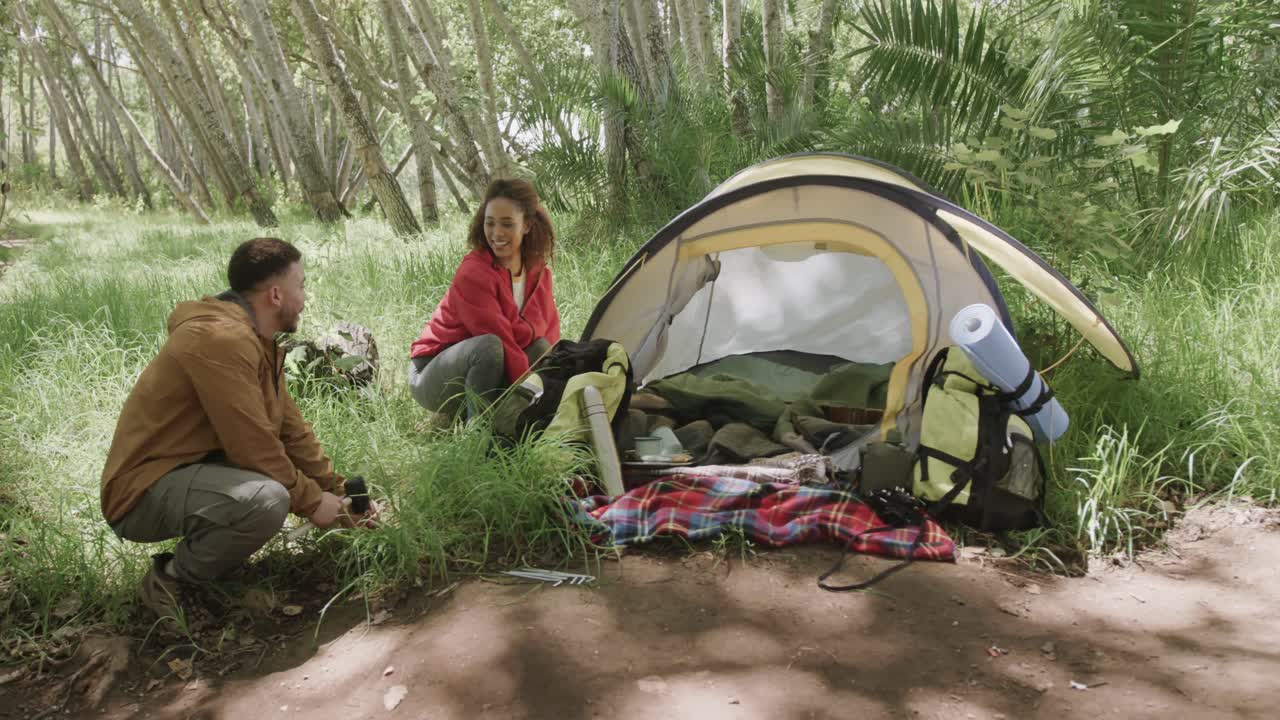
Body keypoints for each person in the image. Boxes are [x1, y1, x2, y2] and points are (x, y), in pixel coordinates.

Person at [100, 237, 376, 624]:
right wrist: (312, 502)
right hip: (141, 491)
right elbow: (253, 448)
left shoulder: (258, 343)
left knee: (271, 492)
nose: (305, 296)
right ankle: (169, 581)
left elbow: (291, 432)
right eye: (302, 285)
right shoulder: (220, 341)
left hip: (190, 473)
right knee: (267, 500)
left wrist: (337, 490)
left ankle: (216, 563)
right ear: (276, 294)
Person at [409, 178, 561, 421]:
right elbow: (501, 339)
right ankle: (478, 435)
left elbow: (547, 333)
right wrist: (531, 390)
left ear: (527, 225)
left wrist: (556, 387)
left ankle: (525, 423)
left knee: (542, 348)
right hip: (431, 373)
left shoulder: (538, 272)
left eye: (507, 224)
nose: (497, 233)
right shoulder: (474, 272)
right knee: (490, 346)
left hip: (492, 364)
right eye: (490, 223)